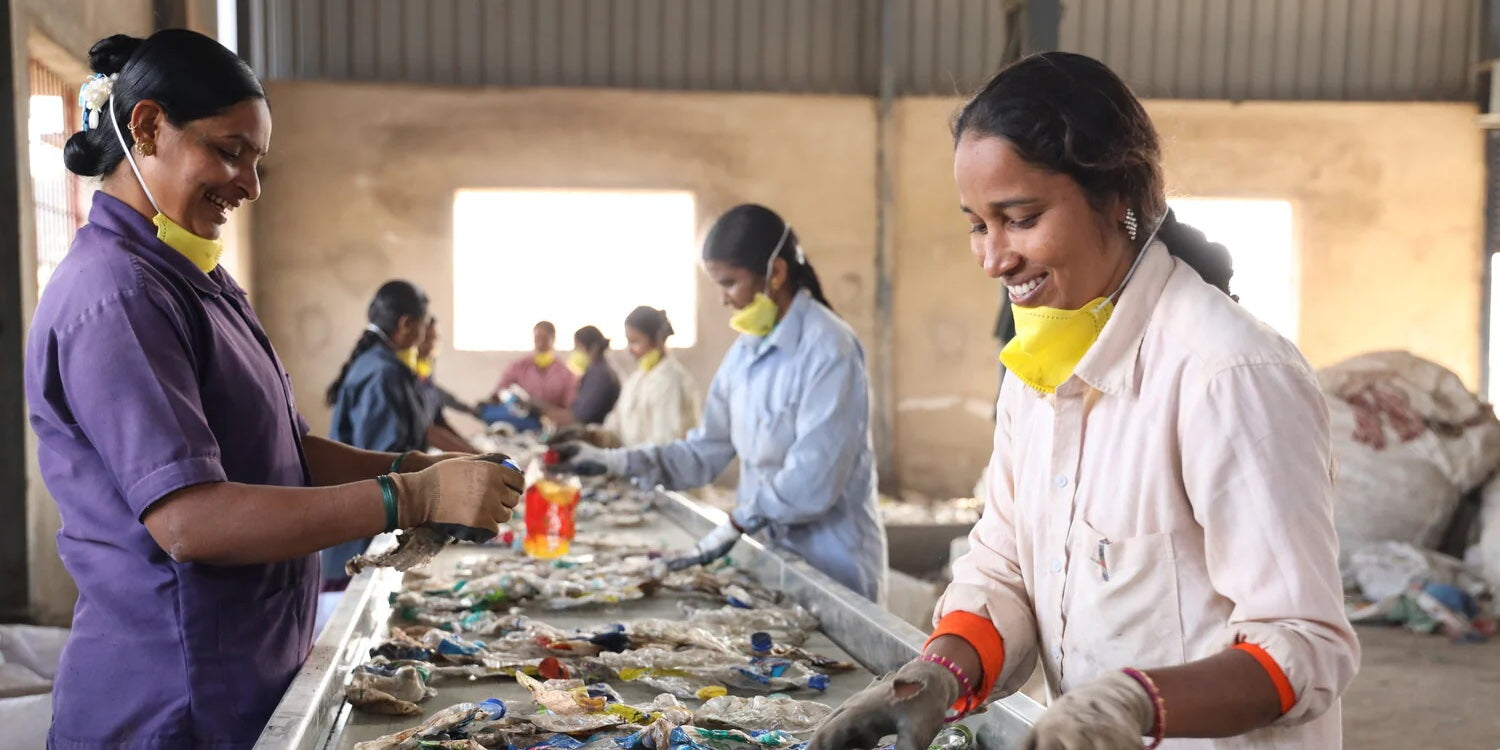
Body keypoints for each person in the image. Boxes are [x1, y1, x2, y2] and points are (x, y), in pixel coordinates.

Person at [808, 52, 1357, 750]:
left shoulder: (1227, 374)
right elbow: (1004, 563)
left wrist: (1134, 702)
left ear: (1118, 201)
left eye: (1021, 217)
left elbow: (1303, 642)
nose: (993, 256)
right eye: (978, 224)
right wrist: (940, 674)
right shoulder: (1039, 369)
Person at [24, 30, 522, 750]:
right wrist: (407, 501)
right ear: (148, 127)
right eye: (229, 152)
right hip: (175, 698)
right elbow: (189, 522)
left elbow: (290, 453)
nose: (250, 187)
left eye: (257, 163)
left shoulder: (198, 280)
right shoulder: (120, 296)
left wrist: (417, 469)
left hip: (247, 670)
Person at [561, 204, 887, 602]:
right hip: (769, 557)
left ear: (777, 273)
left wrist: (738, 520)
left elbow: (813, 480)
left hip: (831, 564)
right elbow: (706, 449)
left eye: (730, 283)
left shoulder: (829, 347)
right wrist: (620, 462)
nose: (723, 299)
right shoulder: (745, 353)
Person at [322, 280, 441, 589]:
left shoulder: (386, 366)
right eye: (425, 324)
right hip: (359, 542)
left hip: (371, 529)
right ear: (407, 325)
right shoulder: (382, 373)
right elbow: (384, 464)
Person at [605, 306, 701, 446]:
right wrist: (592, 436)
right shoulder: (635, 380)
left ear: (658, 339)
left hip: (660, 466)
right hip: (635, 463)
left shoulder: (671, 379)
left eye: (635, 342)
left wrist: (628, 460)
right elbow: (616, 424)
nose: (629, 350)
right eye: (628, 342)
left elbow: (665, 442)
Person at [485, 320, 577, 431]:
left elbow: (571, 409)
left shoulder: (566, 374)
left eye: (544, 339)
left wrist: (547, 411)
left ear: (553, 339)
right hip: (523, 422)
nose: (540, 343)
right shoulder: (519, 367)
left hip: (551, 425)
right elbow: (500, 390)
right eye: (537, 338)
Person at [411, 316, 481, 453]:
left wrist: (475, 452)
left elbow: (439, 421)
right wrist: (474, 455)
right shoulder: (401, 377)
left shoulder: (426, 375)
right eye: (426, 340)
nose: (430, 346)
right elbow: (426, 430)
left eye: (434, 340)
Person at [540, 326, 621, 428]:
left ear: (593, 348)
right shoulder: (594, 372)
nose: (575, 352)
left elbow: (581, 417)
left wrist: (545, 413)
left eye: (578, 347)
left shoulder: (600, 376)